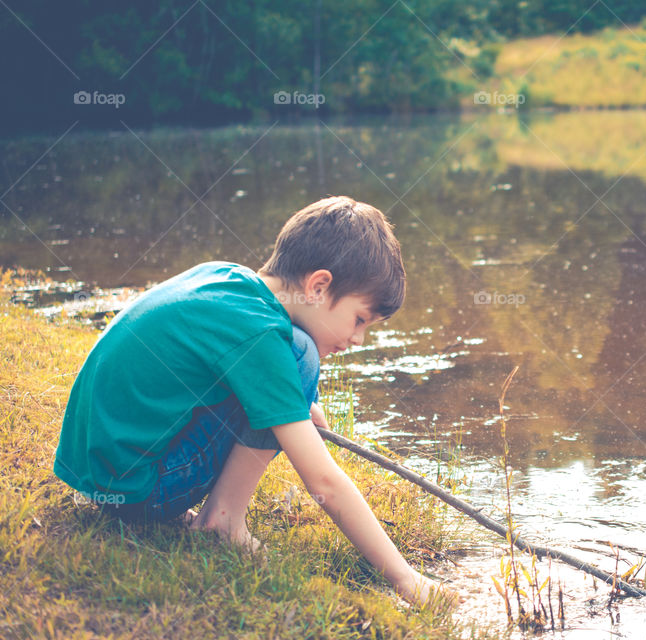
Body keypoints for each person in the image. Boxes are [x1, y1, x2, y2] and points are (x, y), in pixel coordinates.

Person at [53, 196, 457, 609]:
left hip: (99, 472)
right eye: (360, 320)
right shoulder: (267, 340)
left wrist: (302, 401)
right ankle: (223, 522)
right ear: (318, 286)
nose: (358, 340)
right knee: (301, 353)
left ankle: (207, 511)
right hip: (138, 490)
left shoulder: (227, 279)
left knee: (296, 358)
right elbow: (325, 485)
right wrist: (407, 580)